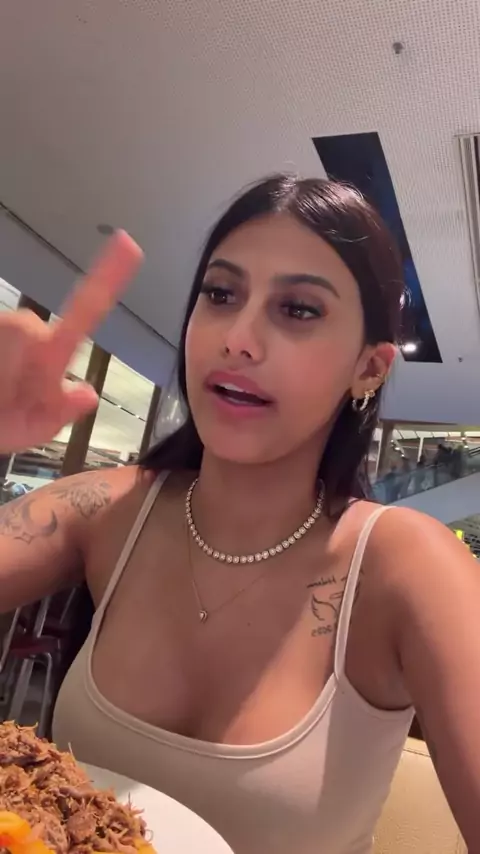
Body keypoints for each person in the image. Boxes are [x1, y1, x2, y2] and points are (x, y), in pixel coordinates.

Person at [0, 176, 479, 854]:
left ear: (369, 369)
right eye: (220, 295)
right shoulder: (109, 509)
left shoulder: (406, 565)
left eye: (299, 309)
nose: (240, 339)